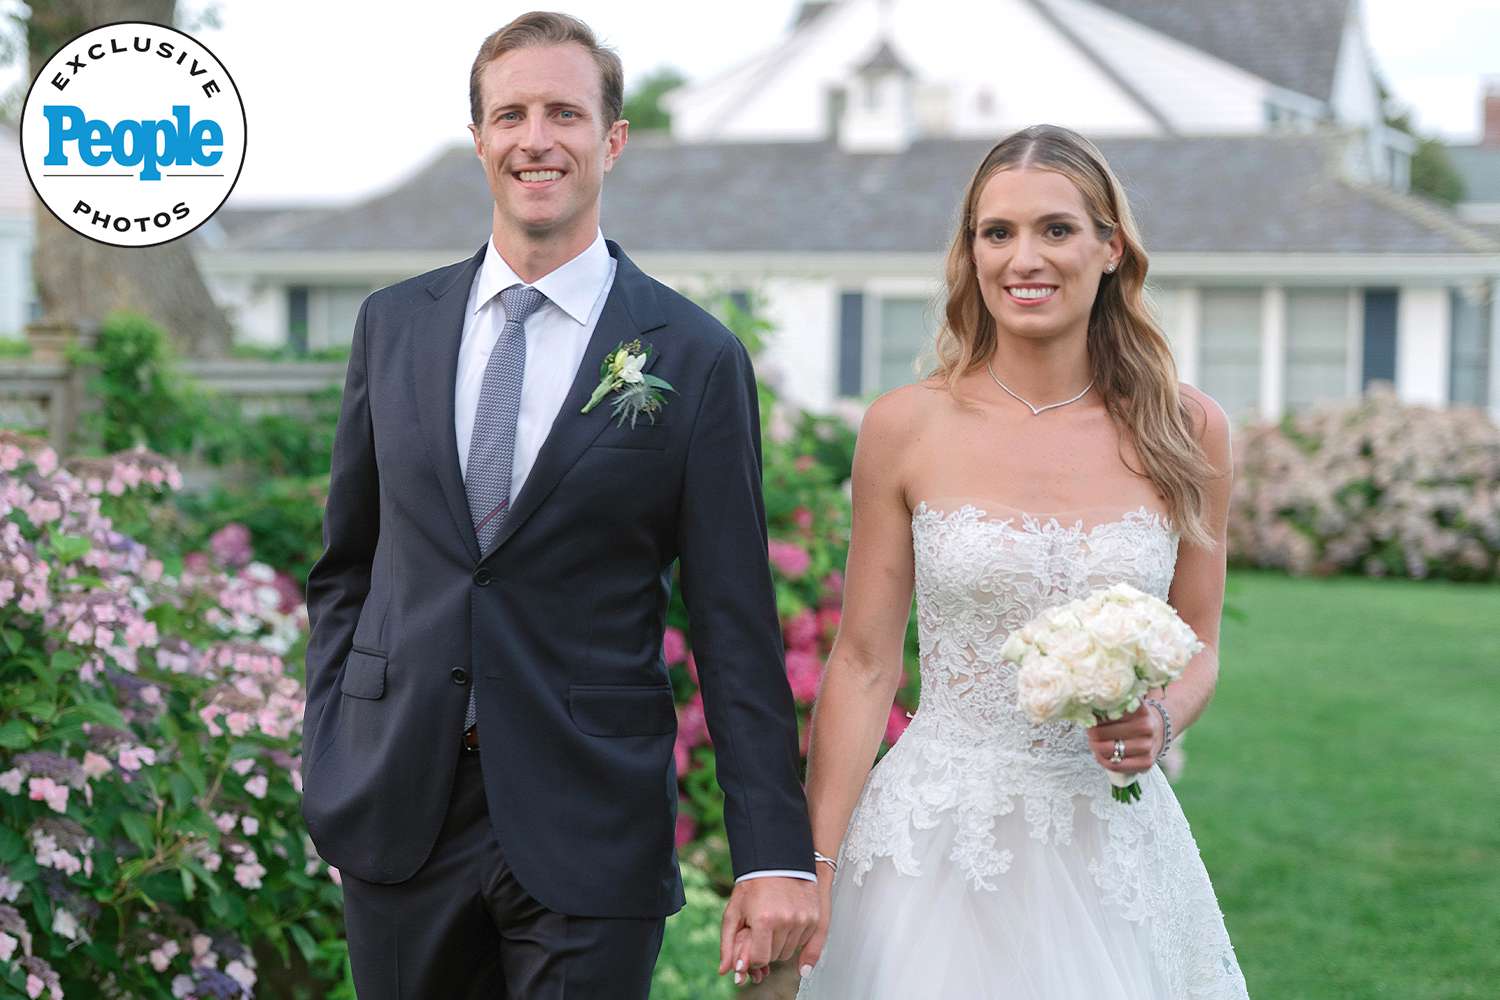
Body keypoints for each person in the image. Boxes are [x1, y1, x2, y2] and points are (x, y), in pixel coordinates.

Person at [298, 13, 817, 998]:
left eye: (566, 113)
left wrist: (772, 851)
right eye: (512, 114)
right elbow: (347, 567)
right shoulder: (392, 327)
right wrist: (333, 745)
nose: (538, 138)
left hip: (589, 820)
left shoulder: (694, 356)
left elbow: (733, 620)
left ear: (611, 140)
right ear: (482, 139)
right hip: (401, 809)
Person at [795, 124, 1250, 998]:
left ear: (1111, 248)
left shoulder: (1187, 431)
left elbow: (1199, 639)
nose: (1022, 258)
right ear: (971, 252)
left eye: (1055, 229)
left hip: (1110, 845)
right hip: (934, 841)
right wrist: (814, 856)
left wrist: (1162, 721)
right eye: (995, 232)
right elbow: (861, 662)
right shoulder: (905, 426)